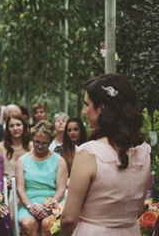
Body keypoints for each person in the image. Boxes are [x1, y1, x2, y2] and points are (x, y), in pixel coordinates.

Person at [61, 74, 151, 236]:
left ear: (102, 108)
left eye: (87, 104)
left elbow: (68, 218)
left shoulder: (89, 152)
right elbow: (138, 209)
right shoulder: (144, 151)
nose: (84, 111)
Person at [16, 120, 68, 236]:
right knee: (27, 223)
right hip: (29, 203)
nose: (39, 146)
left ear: (50, 142)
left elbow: (61, 189)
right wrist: (29, 206)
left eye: (44, 143)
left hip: (53, 203)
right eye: (36, 142)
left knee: (48, 224)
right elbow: (20, 189)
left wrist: (50, 207)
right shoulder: (22, 160)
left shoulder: (59, 160)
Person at [0, 112, 31, 219]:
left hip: (29, 187)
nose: (15, 128)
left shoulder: (31, 146)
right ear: (7, 129)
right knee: (12, 206)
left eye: (18, 125)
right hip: (9, 188)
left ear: (24, 126)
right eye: (11, 126)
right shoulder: (0, 147)